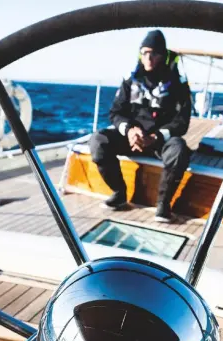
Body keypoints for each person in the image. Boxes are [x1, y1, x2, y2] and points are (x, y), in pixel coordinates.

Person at [89, 30, 192, 222]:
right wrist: (129, 130)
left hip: (159, 142)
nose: (149, 57)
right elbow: (115, 113)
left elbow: (182, 122)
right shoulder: (131, 81)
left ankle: (163, 204)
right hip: (132, 138)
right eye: (144, 52)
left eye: (154, 53)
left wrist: (156, 137)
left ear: (163, 55)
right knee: (98, 140)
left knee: (179, 150)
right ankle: (119, 193)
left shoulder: (178, 85)